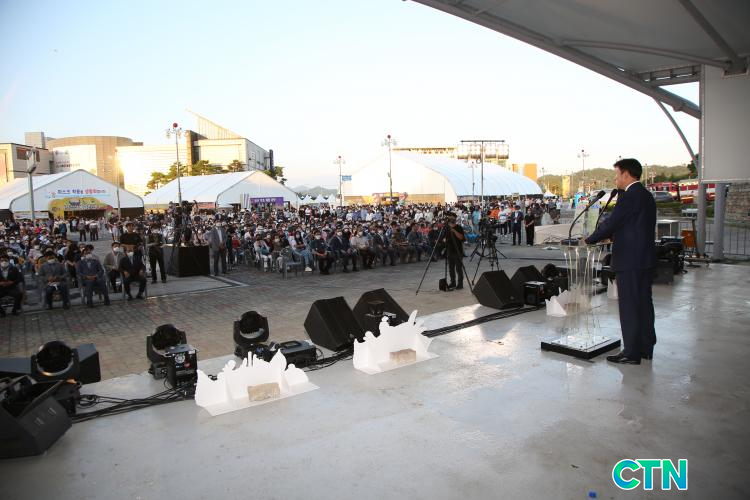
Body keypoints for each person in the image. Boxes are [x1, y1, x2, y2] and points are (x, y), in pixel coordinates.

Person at [585, 158, 656, 365]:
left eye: (617, 174)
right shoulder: (646, 195)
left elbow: (612, 222)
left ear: (626, 174)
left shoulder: (629, 196)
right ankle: (645, 348)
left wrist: (590, 239)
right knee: (644, 304)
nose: (615, 179)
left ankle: (631, 353)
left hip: (629, 260)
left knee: (629, 306)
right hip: (644, 259)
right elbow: (632, 225)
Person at [442, 213, 465, 290]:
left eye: (452, 218)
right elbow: (443, 239)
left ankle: (460, 284)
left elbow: (461, 238)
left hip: (458, 250)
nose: (451, 219)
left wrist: (454, 231)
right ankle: (453, 283)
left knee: (458, 268)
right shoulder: (446, 228)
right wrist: (444, 240)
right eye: (450, 218)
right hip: (450, 250)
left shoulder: (459, 227)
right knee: (451, 268)